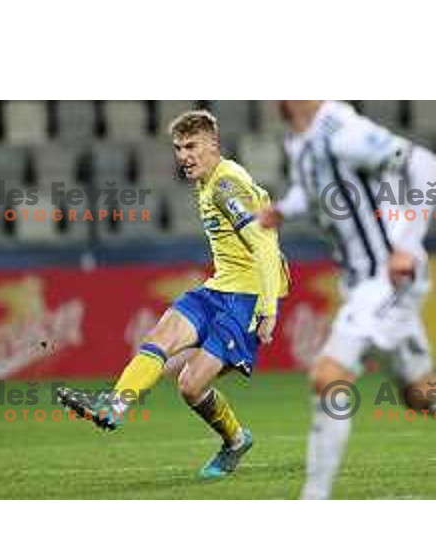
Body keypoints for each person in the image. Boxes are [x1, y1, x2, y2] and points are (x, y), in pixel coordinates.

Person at [58, 109, 290, 478]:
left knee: (190, 386)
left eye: (192, 146)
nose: (184, 156)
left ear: (213, 144)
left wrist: (269, 308)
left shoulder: (225, 185)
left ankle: (235, 441)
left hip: (246, 298)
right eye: (179, 148)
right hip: (219, 288)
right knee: (159, 338)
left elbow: (263, 241)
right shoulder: (209, 182)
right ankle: (114, 406)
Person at [258, 100, 436, 499]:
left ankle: (314, 500)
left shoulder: (340, 129)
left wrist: (407, 244)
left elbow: (425, 164)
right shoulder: (299, 141)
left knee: (329, 376)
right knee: (420, 393)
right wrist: (282, 210)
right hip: (362, 284)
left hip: (389, 278)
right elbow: (313, 189)